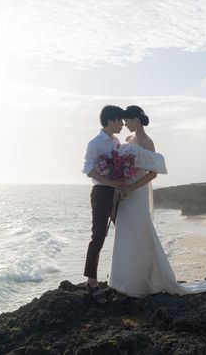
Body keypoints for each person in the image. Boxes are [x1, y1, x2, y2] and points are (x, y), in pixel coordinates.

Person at [108, 105, 206, 297]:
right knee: (124, 234)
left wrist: (131, 187)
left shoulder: (147, 142)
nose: (124, 125)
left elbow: (153, 173)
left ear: (136, 120)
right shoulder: (129, 140)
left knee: (139, 233)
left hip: (137, 193)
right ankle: (123, 280)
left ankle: (140, 282)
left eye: (127, 121)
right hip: (125, 192)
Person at [82, 104, 126, 304]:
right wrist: (109, 182)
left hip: (118, 193)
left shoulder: (116, 141)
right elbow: (88, 169)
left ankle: (121, 275)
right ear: (110, 120)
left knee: (125, 233)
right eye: (119, 120)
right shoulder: (95, 143)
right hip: (101, 192)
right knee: (99, 236)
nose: (122, 124)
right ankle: (92, 282)